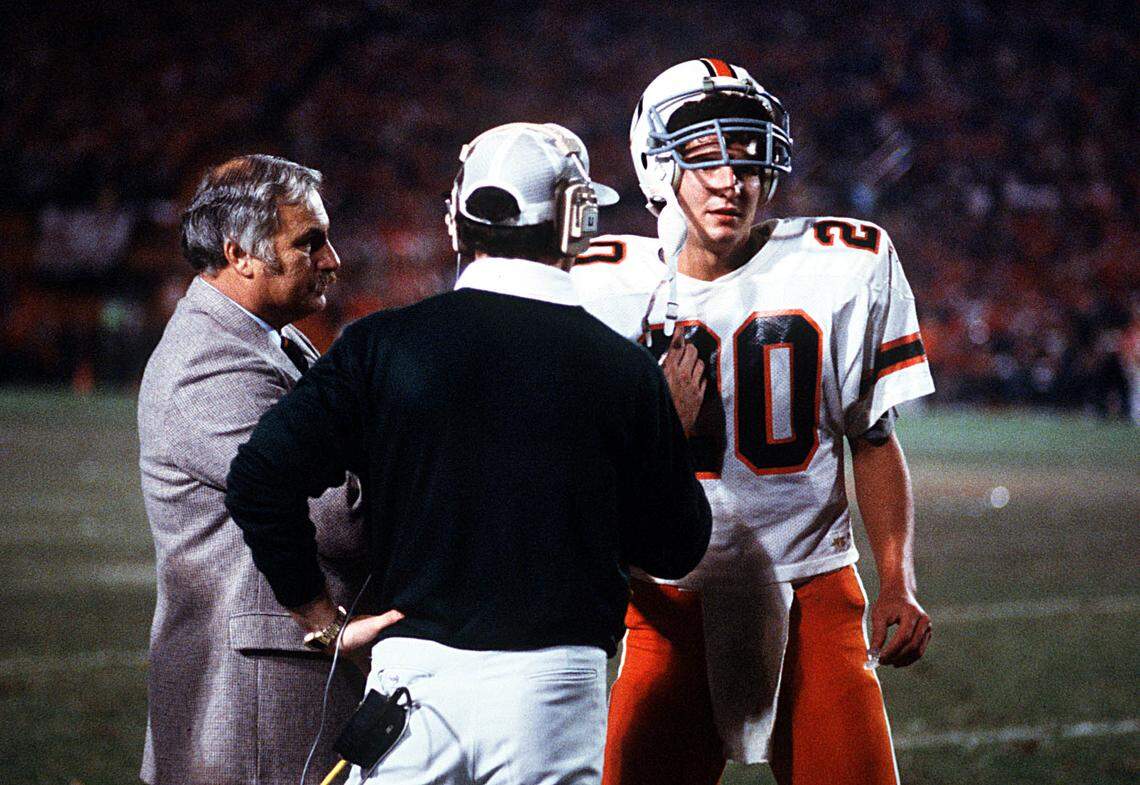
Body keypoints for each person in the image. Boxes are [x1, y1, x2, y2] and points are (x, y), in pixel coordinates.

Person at [225, 123, 713, 785]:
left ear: (458, 217)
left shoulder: (380, 345)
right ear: (576, 221)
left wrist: (315, 611)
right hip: (555, 689)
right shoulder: (624, 371)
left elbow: (258, 477)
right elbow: (677, 547)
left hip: (414, 686)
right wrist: (665, 442)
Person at [572, 58, 936, 785]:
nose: (731, 178)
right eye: (704, 156)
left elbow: (873, 436)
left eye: (746, 153)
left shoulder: (846, 264)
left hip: (816, 596)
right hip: (665, 604)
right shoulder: (595, 281)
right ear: (654, 168)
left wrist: (897, 576)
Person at [138, 154, 385, 785]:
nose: (331, 259)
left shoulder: (260, 335)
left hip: (272, 683)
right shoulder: (212, 366)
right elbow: (336, 520)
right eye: (309, 243)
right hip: (253, 700)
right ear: (240, 253)